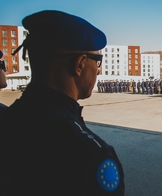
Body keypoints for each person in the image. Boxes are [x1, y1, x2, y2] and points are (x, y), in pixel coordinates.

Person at [0, 10, 125, 196]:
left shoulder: (7, 119)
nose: (98, 71)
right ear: (80, 64)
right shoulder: (89, 154)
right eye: (97, 62)